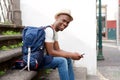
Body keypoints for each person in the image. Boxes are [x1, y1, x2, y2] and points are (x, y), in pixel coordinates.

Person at [43, 9, 83, 80]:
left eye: (67, 22)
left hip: (45, 58)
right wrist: (71, 55)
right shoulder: (49, 31)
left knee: (68, 59)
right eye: (63, 20)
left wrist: (72, 54)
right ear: (56, 18)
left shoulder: (54, 31)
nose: (65, 24)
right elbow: (51, 52)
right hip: (37, 60)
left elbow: (58, 50)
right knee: (62, 61)